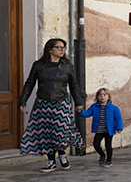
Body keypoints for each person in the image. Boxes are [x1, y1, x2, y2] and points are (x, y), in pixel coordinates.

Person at [19, 38, 85, 171]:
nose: (62, 50)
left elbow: (74, 85)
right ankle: (51, 161)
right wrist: (23, 100)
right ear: (50, 49)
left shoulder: (67, 66)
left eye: (63, 48)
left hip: (61, 102)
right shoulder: (39, 65)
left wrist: (78, 102)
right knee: (46, 132)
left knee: (60, 131)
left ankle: (62, 154)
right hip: (43, 103)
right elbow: (30, 83)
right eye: (59, 47)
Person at [79, 88, 123, 167]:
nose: (102, 97)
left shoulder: (114, 108)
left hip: (109, 130)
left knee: (108, 145)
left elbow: (118, 118)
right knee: (96, 144)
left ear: (108, 97)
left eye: (104, 95)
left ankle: (109, 160)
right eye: (100, 95)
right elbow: (87, 114)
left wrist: (119, 128)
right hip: (99, 129)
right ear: (97, 97)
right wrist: (80, 111)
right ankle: (102, 155)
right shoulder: (94, 107)